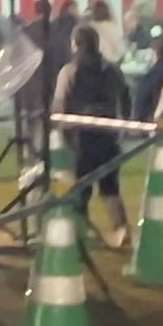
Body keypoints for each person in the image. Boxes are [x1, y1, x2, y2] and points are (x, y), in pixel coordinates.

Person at [56, 22, 132, 236]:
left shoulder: (70, 71)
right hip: (108, 136)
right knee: (110, 188)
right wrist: (123, 124)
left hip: (82, 138)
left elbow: (60, 106)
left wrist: (64, 133)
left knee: (81, 189)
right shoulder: (112, 70)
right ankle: (121, 229)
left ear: (76, 44)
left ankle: (80, 232)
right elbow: (126, 98)